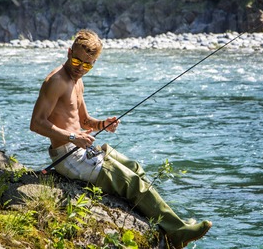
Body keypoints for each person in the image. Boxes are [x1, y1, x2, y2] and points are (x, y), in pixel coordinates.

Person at [30, 29, 212, 248]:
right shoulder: (55, 81)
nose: (80, 68)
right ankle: (178, 231)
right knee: (132, 183)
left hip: (81, 149)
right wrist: (71, 136)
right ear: (69, 52)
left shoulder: (77, 81)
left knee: (134, 167)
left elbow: (84, 120)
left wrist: (101, 124)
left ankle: (162, 221)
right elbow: (36, 123)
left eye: (88, 65)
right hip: (68, 157)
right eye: (77, 60)